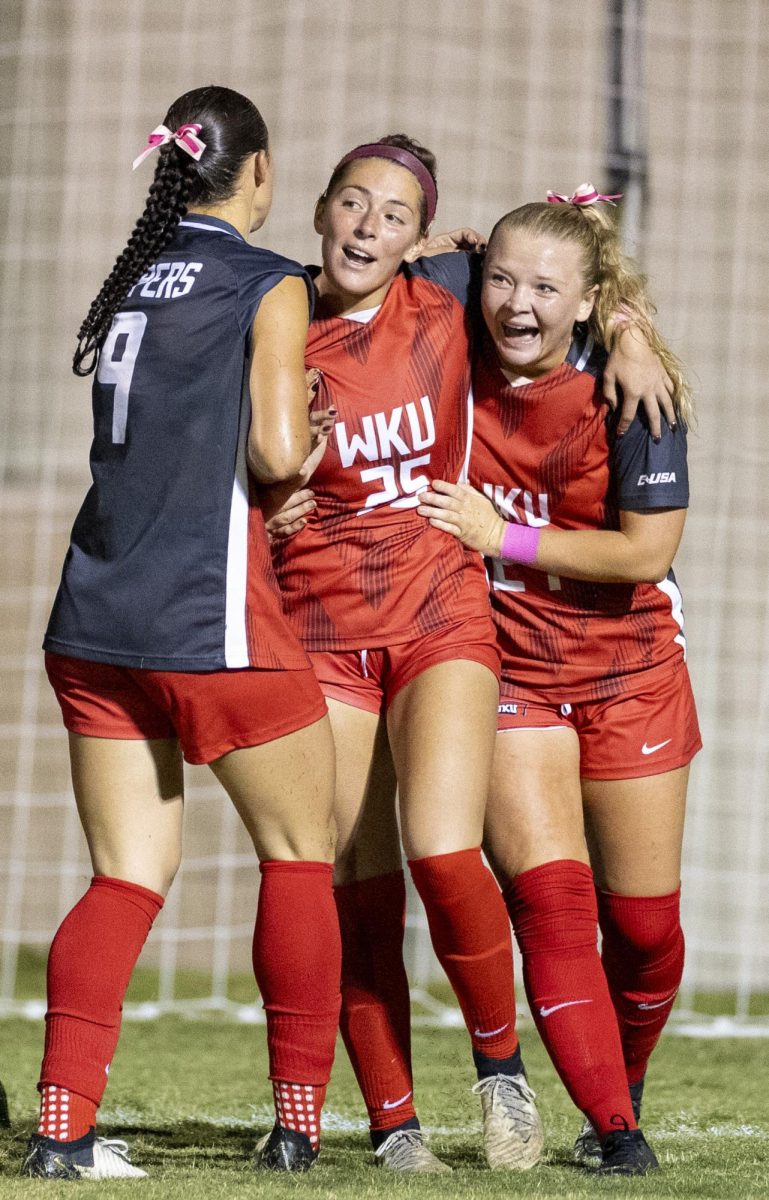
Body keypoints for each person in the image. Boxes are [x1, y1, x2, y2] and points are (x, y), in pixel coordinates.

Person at [263, 148, 673, 1174]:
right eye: (352, 203)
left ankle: (521, 1078)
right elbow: (210, 450)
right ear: (316, 209)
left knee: (492, 872)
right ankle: (396, 1126)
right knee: (357, 878)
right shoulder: (271, 313)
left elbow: (544, 265)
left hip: (511, 638)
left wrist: (630, 329)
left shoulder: (461, 308)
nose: (368, 226)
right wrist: (266, 496)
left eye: (394, 213)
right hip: (343, 636)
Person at [22, 86, 340, 1180]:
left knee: (125, 877)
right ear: (260, 171)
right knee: (301, 857)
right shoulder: (270, 281)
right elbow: (278, 453)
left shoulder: (133, 281)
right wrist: (313, 425)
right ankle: (297, 1125)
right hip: (213, 625)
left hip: (95, 624)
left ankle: (62, 1131)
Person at [417, 188, 699, 1176]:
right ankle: (618, 1134)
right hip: (503, 664)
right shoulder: (451, 308)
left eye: (544, 286)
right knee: (552, 905)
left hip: (628, 668)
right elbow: (352, 287)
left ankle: (614, 1090)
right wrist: (427, 240)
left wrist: (504, 537)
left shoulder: (633, 384)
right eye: (500, 278)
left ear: (588, 303)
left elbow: (644, 551)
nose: (515, 301)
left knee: (644, 928)